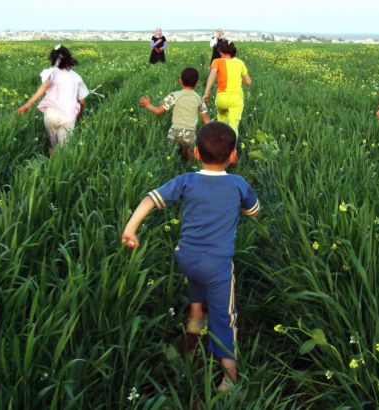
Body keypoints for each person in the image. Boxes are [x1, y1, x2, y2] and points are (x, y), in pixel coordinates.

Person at [121, 122, 260, 392]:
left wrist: (130, 228)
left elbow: (151, 198)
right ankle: (229, 381)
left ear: (196, 153)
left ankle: (195, 321)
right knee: (224, 318)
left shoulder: (187, 181)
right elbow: (253, 211)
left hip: (186, 256)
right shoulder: (238, 185)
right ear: (233, 155)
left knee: (196, 276)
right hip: (217, 265)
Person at [17, 44, 88, 156]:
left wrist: (27, 105)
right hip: (68, 116)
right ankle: (60, 168)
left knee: (52, 143)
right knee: (64, 147)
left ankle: (51, 163)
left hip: (51, 115)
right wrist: (81, 114)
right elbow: (82, 102)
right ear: (69, 58)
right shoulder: (76, 77)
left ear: (53, 59)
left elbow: (44, 86)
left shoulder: (51, 73)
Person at [139, 67, 211, 162]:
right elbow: (206, 119)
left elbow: (158, 111)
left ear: (180, 81)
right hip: (190, 134)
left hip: (174, 132)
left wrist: (147, 104)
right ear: (197, 83)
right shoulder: (199, 99)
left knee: (171, 159)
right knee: (188, 161)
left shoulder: (174, 95)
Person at [203, 42, 251, 137]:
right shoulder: (240, 63)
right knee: (233, 127)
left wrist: (206, 93)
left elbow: (212, 75)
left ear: (221, 52)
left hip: (221, 99)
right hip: (236, 99)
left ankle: (221, 145)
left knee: (222, 124)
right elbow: (248, 82)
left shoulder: (217, 61)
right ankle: (232, 150)